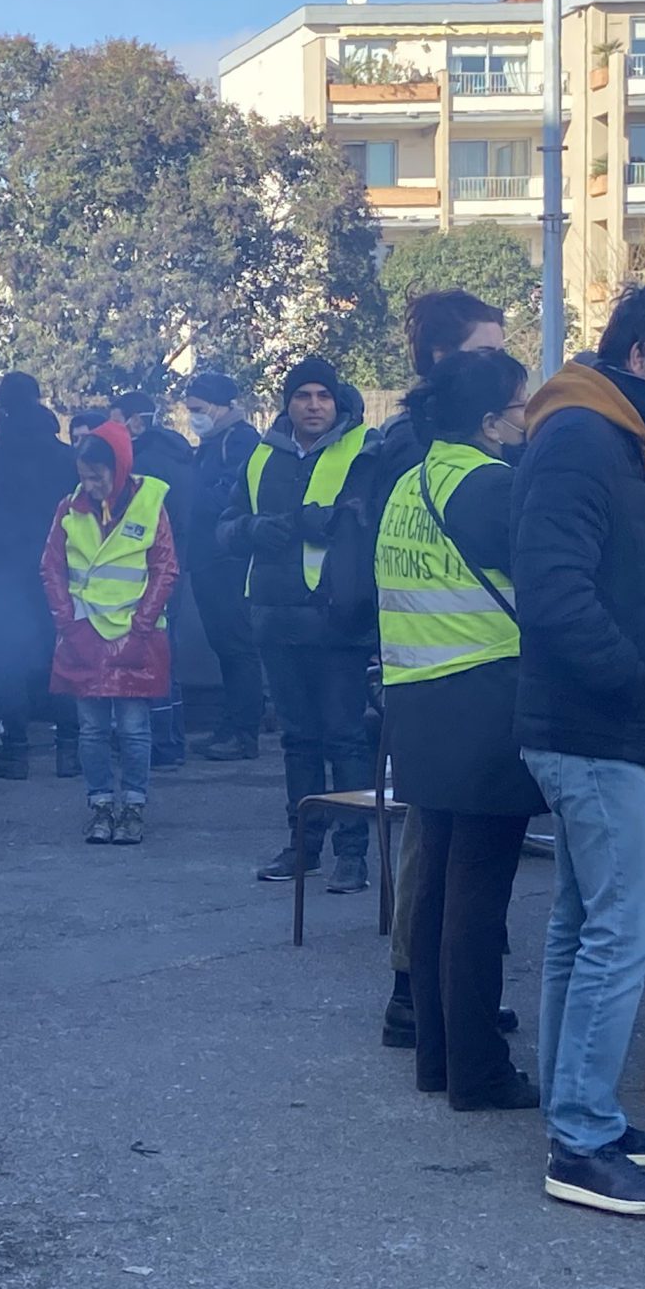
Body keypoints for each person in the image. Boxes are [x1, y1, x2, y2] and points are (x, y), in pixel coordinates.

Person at [513, 275, 645, 1217]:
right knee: (624, 933)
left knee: (583, 926)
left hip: (589, 726)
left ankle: (577, 1110)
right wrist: (636, 681)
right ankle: (581, 1138)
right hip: (592, 727)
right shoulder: (583, 440)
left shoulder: (603, 436)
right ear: (639, 357)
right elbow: (555, 593)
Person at [377, 349, 541, 1111]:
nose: (528, 414)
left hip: (418, 707)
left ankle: (439, 1058)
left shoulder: (410, 485)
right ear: (488, 421)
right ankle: (479, 1070)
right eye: (520, 403)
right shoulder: (491, 486)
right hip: (484, 706)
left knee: (440, 892)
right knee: (479, 902)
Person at [364, 292, 508, 1046]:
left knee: (444, 849)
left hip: (431, 671)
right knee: (435, 849)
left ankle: (443, 988)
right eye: (489, 351)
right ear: (446, 359)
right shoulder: (412, 450)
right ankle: (419, 991)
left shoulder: (423, 445)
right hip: (444, 675)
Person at [220, 355, 377, 893]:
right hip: (275, 617)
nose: (313, 406)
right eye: (303, 396)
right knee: (298, 741)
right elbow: (225, 529)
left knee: (346, 740)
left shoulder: (364, 450)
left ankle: (352, 854)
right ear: (288, 403)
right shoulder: (262, 456)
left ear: (337, 402)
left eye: (323, 396)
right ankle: (303, 846)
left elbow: (362, 521)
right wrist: (255, 528)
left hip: (338, 621)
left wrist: (315, 525)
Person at [41, 425, 176, 846]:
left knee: (134, 729)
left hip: (132, 634)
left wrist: (139, 629)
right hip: (85, 631)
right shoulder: (69, 507)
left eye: (99, 475)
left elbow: (165, 569)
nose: (92, 484)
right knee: (92, 730)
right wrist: (67, 622)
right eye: (85, 476)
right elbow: (52, 568)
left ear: (119, 468)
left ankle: (133, 806)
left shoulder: (150, 504)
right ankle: (100, 804)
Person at [0, 372, 77, 780]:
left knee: (10, 660)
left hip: (5, 578)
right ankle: (70, 749)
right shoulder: (66, 458)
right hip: (61, 573)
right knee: (64, 655)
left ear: (3, 406)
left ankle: (16, 751)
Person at [183, 371, 267, 761]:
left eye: (198, 409)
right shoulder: (212, 442)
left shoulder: (240, 441)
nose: (192, 416)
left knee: (237, 647)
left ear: (219, 405)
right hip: (208, 559)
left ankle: (243, 731)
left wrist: (196, 503)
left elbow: (234, 494)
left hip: (227, 561)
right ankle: (232, 724)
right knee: (226, 648)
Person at [115, 390, 194, 768]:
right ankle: (170, 742)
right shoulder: (178, 455)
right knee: (167, 656)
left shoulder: (143, 466)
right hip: (175, 567)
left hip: (149, 573)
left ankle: (159, 746)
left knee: (151, 658)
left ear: (135, 421)